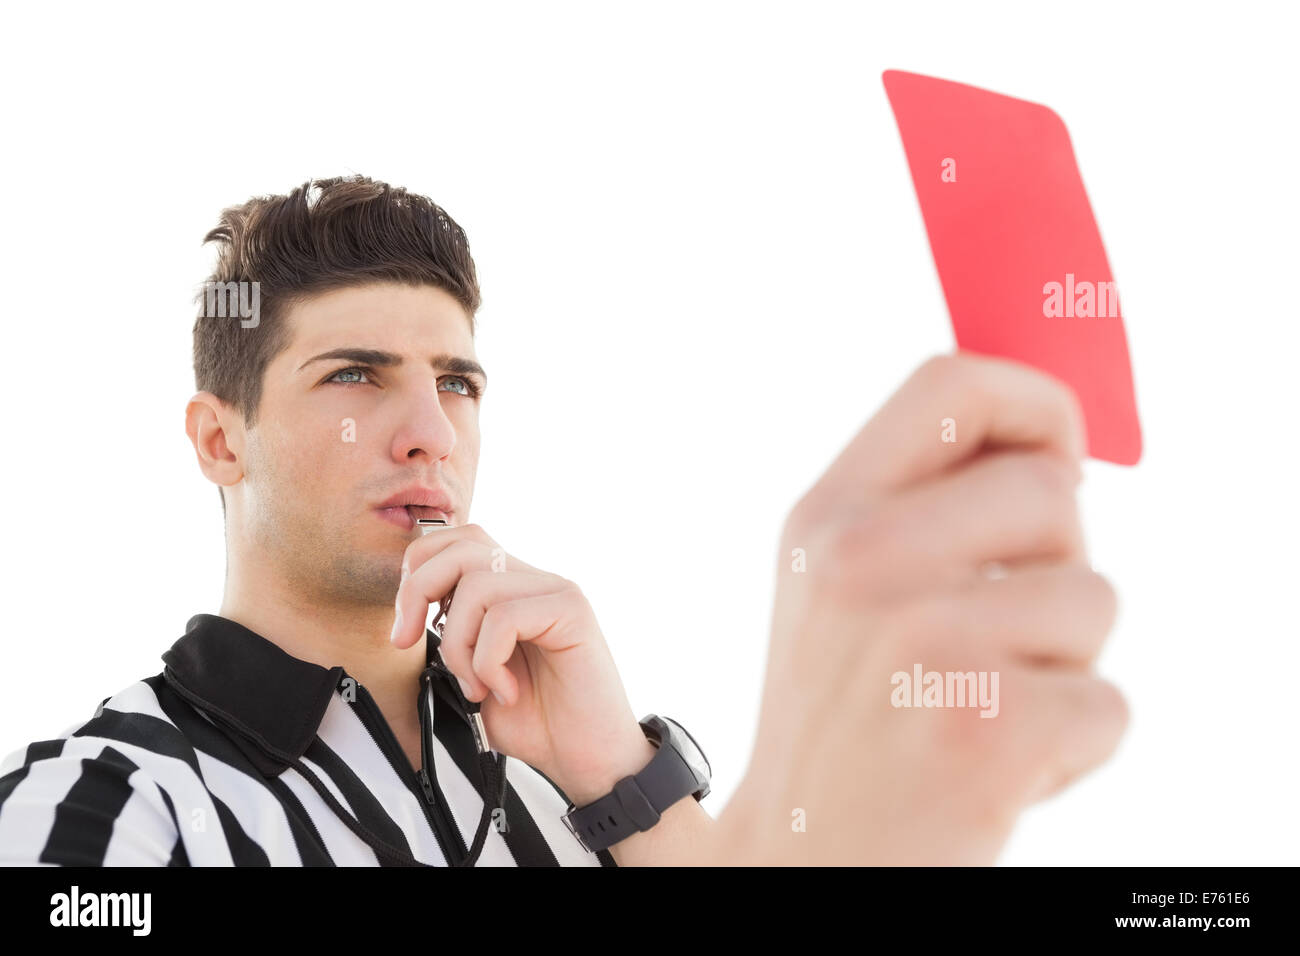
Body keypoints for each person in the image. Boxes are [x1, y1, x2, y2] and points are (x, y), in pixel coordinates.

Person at [0, 175, 1127, 867]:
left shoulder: (578, 784)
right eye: (354, 376)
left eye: (459, 381)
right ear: (218, 439)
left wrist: (620, 773)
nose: (428, 430)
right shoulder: (100, 806)